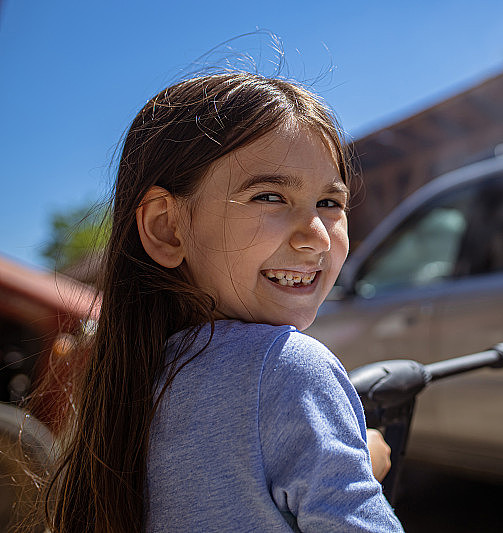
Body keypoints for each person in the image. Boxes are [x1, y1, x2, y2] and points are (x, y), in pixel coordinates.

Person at [41, 71, 404, 532]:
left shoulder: (135, 377)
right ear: (166, 227)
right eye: (270, 196)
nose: (315, 237)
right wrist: (354, 467)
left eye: (330, 204)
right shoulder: (287, 369)